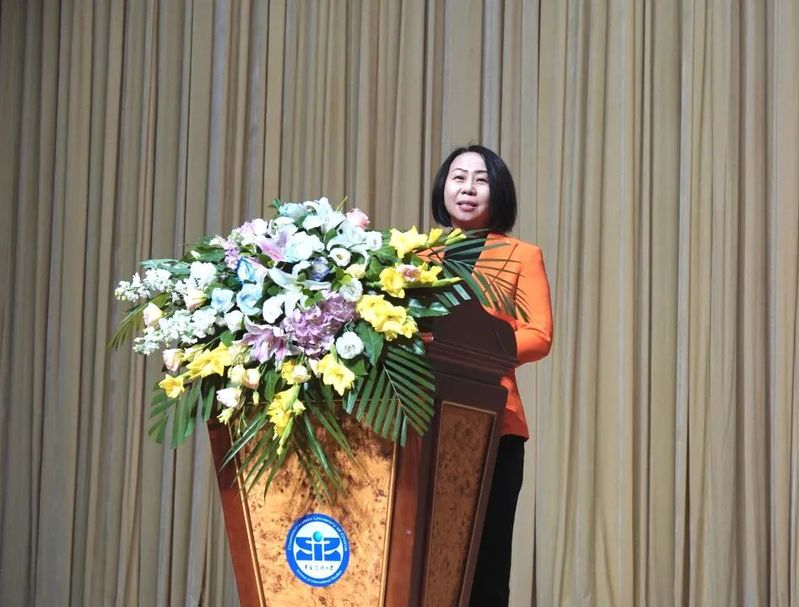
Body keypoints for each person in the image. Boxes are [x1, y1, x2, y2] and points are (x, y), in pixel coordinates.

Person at [431, 144, 554, 606]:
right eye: (458, 177)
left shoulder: (522, 255)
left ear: (498, 191)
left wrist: (474, 352)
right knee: (425, 556)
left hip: (496, 425)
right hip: (425, 420)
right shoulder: (415, 258)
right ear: (443, 188)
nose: (467, 188)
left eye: (480, 179)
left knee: (486, 561)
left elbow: (539, 335)